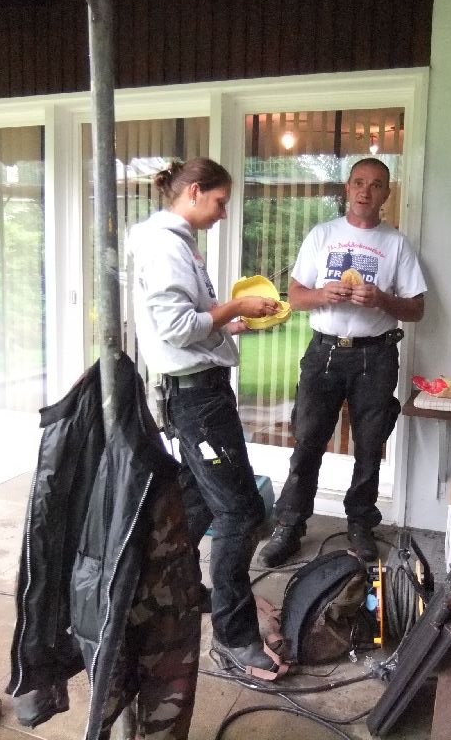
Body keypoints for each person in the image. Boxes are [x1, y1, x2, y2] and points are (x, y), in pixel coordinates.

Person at [128, 157, 284, 677]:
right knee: (240, 514)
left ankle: (167, 592)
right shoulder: (166, 246)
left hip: (199, 394)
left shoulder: (178, 243)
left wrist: (228, 326)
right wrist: (235, 309)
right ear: (194, 191)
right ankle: (234, 638)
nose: (223, 212)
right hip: (197, 403)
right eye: (219, 201)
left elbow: (190, 324)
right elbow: (175, 328)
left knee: (194, 502)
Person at [258, 157, 427, 567]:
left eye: (376, 184)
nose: (366, 191)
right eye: (359, 182)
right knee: (308, 441)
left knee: (369, 445)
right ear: (347, 188)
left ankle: (360, 524)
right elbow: (296, 296)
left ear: (386, 194)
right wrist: (323, 294)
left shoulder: (396, 244)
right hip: (324, 353)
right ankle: (289, 526)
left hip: (376, 355)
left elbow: (417, 309)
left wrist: (381, 299)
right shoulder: (323, 235)